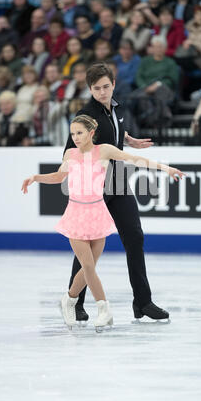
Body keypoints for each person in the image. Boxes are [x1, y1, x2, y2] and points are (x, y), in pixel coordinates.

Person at [21, 113, 185, 330]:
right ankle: (104, 309)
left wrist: (166, 169)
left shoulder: (104, 150)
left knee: (89, 268)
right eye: (72, 134)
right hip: (76, 214)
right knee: (87, 265)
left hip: (98, 213)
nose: (75, 137)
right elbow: (58, 176)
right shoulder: (70, 154)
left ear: (91, 133)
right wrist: (36, 178)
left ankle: (68, 299)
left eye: (79, 133)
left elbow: (136, 160)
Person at [55, 62, 181, 323]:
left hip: (119, 182)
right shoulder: (85, 115)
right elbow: (73, 149)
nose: (102, 92)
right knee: (87, 246)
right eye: (97, 88)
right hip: (96, 188)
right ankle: (75, 302)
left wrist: (128, 140)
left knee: (134, 237)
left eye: (106, 86)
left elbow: (111, 134)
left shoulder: (116, 109)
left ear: (113, 84)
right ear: (90, 89)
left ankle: (142, 302)